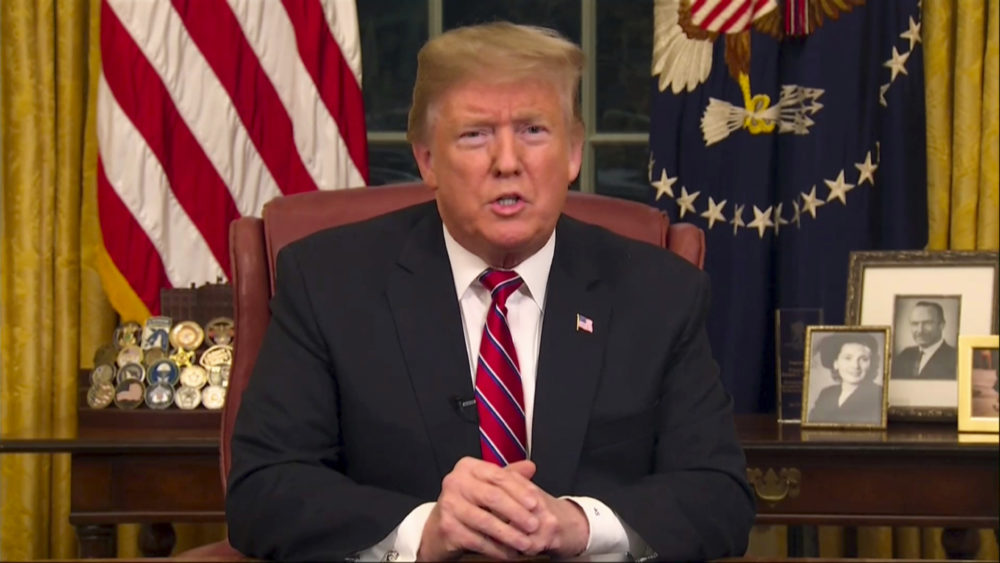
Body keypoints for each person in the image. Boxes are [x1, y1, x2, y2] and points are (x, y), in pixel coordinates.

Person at [225, 22, 754, 561]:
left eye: (533, 131)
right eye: (475, 134)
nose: (507, 162)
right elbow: (262, 490)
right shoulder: (329, 282)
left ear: (573, 152)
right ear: (427, 159)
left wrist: (579, 523)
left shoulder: (659, 293)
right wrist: (423, 530)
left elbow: (719, 496)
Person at [808, 333, 885, 425]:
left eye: (863, 359)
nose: (855, 366)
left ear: (871, 364)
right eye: (848, 358)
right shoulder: (826, 394)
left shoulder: (878, 395)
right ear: (836, 363)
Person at [891, 301, 958, 380]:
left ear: (941, 325)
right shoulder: (904, 355)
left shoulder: (955, 358)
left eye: (927, 323)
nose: (920, 330)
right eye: (915, 324)